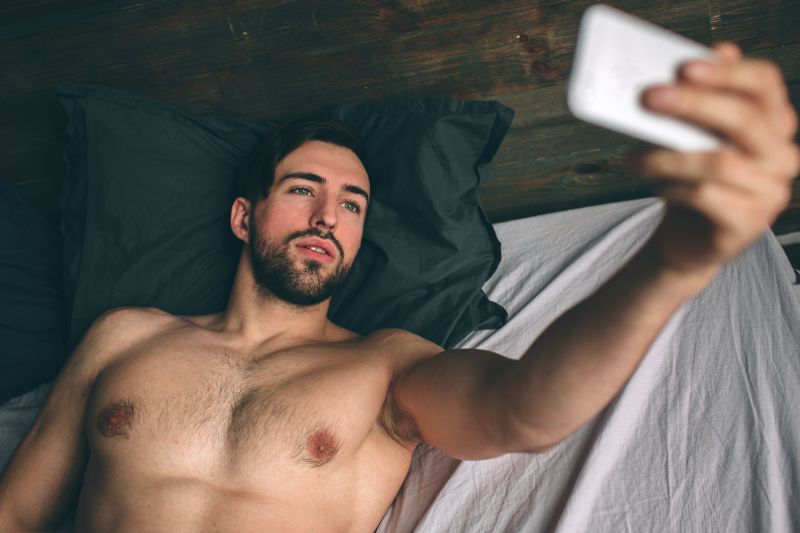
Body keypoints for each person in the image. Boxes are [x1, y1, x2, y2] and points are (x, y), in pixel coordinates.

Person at [0, 42, 797, 532]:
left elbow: (525, 409)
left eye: (353, 204)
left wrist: (676, 261)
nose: (328, 215)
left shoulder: (384, 367)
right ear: (245, 215)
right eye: (303, 188)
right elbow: (16, 512)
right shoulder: (124, 337)